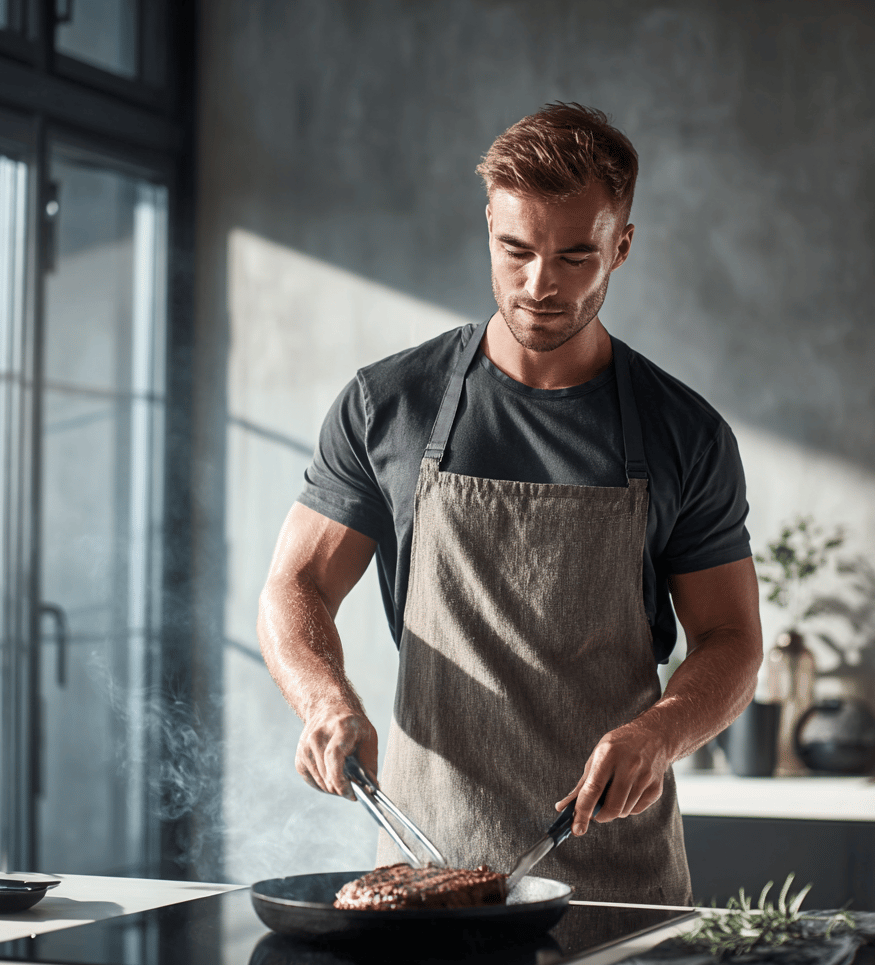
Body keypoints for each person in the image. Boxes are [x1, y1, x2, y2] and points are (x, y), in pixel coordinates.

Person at [257, 102, 762, 904]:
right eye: (515, 249)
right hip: (428, 872)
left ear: (620, 247)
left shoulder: (685, 434)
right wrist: (326, 702)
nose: (539, 285)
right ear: (488, 225)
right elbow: (296, 585)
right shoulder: (387, 406)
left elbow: (733, 640)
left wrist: (659, 735)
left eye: (574, 256)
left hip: (619, 883)